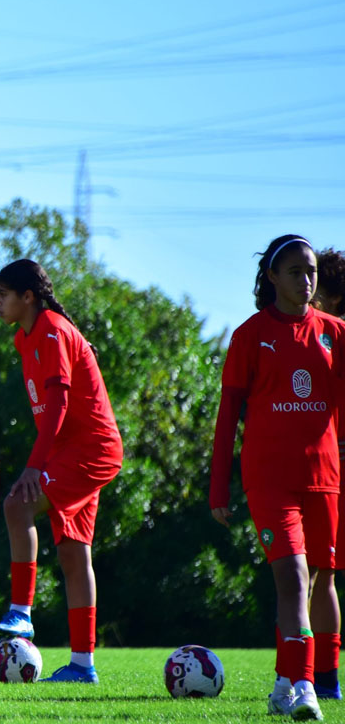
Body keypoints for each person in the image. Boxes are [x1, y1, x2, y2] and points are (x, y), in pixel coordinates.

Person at [210, 235, 345, 721]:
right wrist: (218, 487)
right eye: (294, 271)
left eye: (311, 272)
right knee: (292, 577)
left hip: (324, 479)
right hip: (269, 479)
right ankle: (306, 685)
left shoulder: (335, 332)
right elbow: (228, 417)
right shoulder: (250, 336)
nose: (306, 281)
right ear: (272, 277)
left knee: (319, 579)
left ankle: (289, 681)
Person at [0, 259, 122, 684]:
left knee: (16, 505)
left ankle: (21, 614)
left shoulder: (52, 330)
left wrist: (34, 467)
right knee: (73, 553)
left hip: (90, 449)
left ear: (28, 296)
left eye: (3, 294)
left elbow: (59, 405)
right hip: (71, 451)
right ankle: (83, 666)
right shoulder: (24, 339)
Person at [310, 247, 345, 699]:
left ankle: (322, 676)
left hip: (332, 469)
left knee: (320, 574)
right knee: (320, 574)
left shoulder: (333, 339)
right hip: (327, 466)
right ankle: (322, 678)